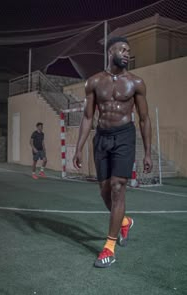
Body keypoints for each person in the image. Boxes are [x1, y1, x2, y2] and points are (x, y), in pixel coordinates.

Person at [73, 36, 153, 268]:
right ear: (111, 52)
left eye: (129, 50)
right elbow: (88, 117)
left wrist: (147, 152)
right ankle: (125, 222)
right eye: (123, 49)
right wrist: (78, 147)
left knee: (118, 187)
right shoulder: (94, 82)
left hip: (124, 137)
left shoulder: (136, 83)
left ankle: (109, 248)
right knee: (104, 192)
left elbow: (145, 119)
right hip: (102, 137)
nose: (127, 53)